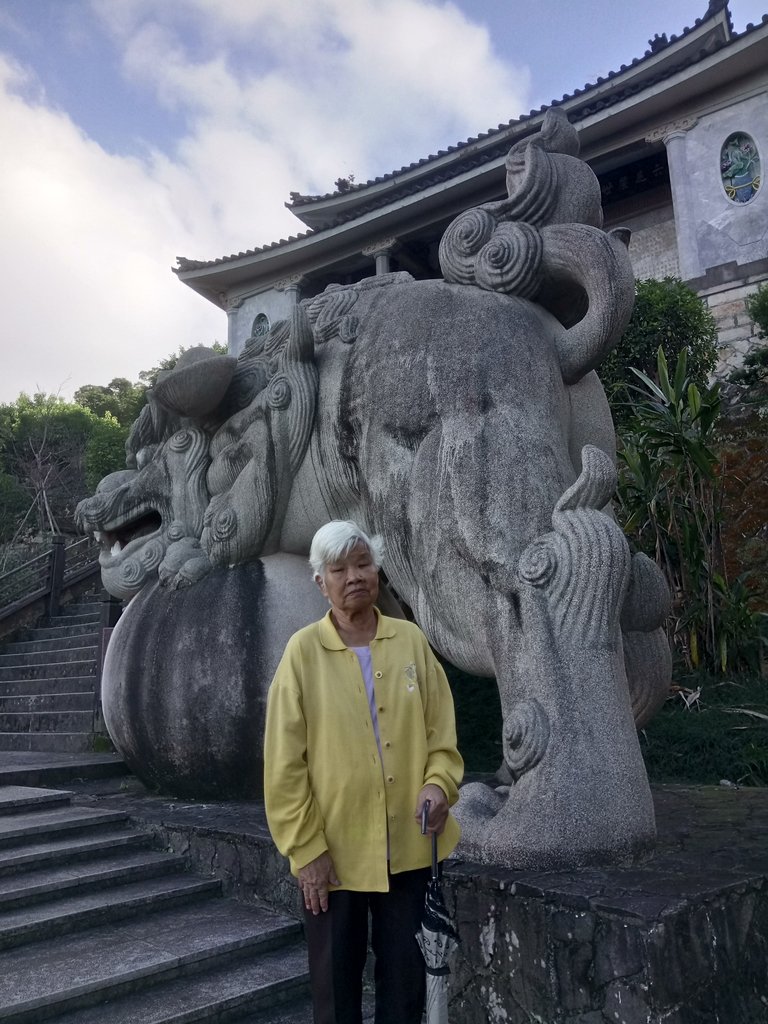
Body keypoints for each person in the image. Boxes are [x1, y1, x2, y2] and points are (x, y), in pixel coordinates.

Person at [264, 520, 464, 1024]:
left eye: (363, 563)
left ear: (377, 569)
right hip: (332, 858)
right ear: (320, 582)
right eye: (339, 568)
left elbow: (442, 739)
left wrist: (439, 786)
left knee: (404, 989)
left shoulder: (411, 642)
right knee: (336, 995)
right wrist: (306, 850)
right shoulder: (302, 655)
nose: (354, 576)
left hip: (409, 849)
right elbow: (284, 766)